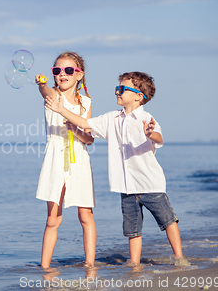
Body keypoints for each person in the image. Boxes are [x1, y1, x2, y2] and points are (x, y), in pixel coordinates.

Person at [45, 71, 187, 266]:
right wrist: (62, 111)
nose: (117, 92)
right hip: (126, 187)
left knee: (167, 220)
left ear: (139, 96)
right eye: (117, 88)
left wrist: (150, 134)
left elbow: (159, 138)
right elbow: (85, 123)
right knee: (132, 229)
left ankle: (178, 256)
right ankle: (134, 263)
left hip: (150, 184)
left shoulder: (147, 119)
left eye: (122, 89)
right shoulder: (111, 118)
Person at [35, 51, 96, 269]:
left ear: (79, 75)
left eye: (68, 70)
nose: (62, 74)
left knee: (85, 215)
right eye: (57, 70)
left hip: (78, 159)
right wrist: (41, 83)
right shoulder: (53, 96)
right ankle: (45, 268)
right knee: (53, 219)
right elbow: (44, 91)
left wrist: (75, 129)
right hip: (54, 159)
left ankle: (90, 264)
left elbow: (89, 138)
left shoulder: (85, 102)